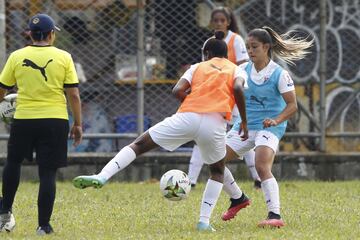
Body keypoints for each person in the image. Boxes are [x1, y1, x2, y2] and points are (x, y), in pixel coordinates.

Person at [72, 31, 248, 232]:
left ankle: (102, 176)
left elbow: (176, 90)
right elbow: (238, 88)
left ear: (206, 53)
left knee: (138, 145)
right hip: (215, 122)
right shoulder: (236, 69)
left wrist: (191, 101)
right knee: (217, 170)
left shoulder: (197, 67)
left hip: (187, 116)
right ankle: (203, 222)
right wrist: (244, 122)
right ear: (226, 54)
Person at [220, 26, 313, 227]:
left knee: (261, 165)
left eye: (254, 47)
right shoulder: (242, 69)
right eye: (248, 47)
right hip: (245, 126)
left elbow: (292, 105)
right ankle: (238, 198)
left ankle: (275, 216)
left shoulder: (279, 74)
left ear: (267, 47)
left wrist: (276, 120)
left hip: (269, 127)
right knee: (215, 161)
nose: (250, 51)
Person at [0, 14, 83, 235]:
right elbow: (73, 94)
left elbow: (2, 88)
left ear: (30, 34)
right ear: (51, 34)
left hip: (24, 119)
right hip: (55, 120)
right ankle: (43, 226)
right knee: (47, 173)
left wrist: (3, 105)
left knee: (14, 163)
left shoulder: (16, 56)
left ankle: (4, 212)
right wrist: (78, 124)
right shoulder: (64, 57)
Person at [188, 6, 261, 189]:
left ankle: (258, 178)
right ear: (212, 22)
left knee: (244, 134)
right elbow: (205, 67)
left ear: (228, 22)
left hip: (232, 94)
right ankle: (191, 181)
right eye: (216, 20)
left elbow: (243, 65)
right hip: (214, 96)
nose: (219, 23)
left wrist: (228, 77)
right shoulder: (208, 43)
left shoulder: (236, 40)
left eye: (223, 20)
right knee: (202, 134)